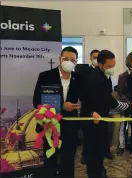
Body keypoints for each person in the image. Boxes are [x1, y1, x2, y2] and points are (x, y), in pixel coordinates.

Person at [80, 50, 132, 178]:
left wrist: (131, 106)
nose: (112, 69)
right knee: (94, 158)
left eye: (114, 65)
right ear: (100, 64)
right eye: (110, 66)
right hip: (93, 123)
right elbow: (109, 102)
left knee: (98, 157)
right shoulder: (95, 79)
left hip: (100, 120)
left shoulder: (103, 76)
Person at [33, 46, 81, 178]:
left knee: (69, 160)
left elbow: (85, 98)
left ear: (76, 62)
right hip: (50, 125)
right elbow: (37, 101)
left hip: (70, 127)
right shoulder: (45, 76)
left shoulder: (78, 78)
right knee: (50, 160)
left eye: (72, 59)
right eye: (66, 58)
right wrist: (62, 105)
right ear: (60, 59)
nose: (69, 61)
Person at [81, 49, 100, 164]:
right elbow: (83, 93)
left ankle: (103, 153)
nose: (96, 59)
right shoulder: (84, 72)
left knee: (100, 135)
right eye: (94, 57)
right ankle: (85, 155)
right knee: (88, 135)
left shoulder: (104, 72)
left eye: (99, 57)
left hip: (101, 109)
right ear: (90, 58)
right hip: (88, 109)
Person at [114, 57, 132, 155]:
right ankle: (121, 145)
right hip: (125, 105)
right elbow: (120, 92)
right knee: (123, 126)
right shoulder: (122, 76)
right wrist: (128, 103)